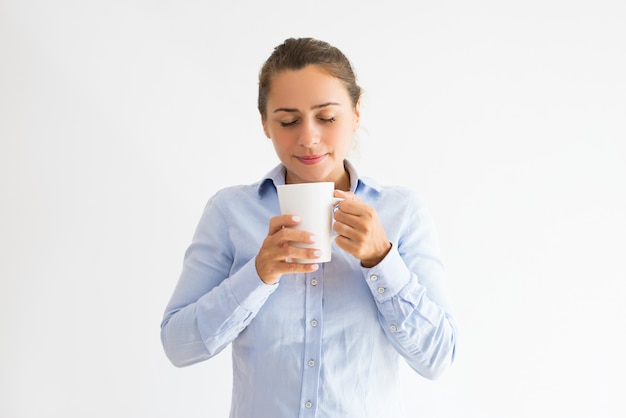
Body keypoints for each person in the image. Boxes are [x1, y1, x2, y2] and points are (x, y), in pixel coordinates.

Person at [161, 37, 457, 418]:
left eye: (327, 118)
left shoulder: (401, 212)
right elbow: (178, 346)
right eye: (287, 120)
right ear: (265, 124)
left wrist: (382, 261)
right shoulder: (230, 212)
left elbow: (437, 358)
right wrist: (258, 274)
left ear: (356, 113)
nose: (308, 137)